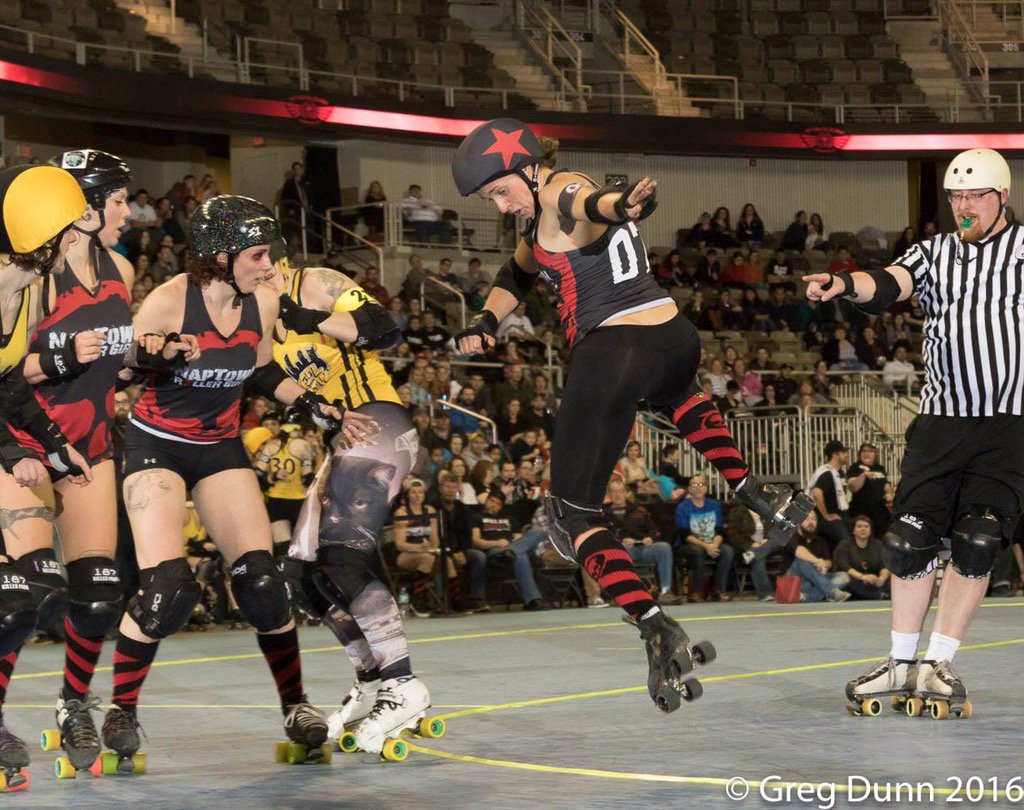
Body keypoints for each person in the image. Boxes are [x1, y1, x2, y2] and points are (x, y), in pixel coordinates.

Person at [452, 118, 810, 710]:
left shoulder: (559, 192)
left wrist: (623, 202)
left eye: (498, 191)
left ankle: (653, 623)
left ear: (522, 166)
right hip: (670, 336)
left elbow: (588, 201)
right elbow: (516, 272)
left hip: (614, 349)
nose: (500, 204)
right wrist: (486, 321)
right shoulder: (541, 213)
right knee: (681, 395)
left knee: (571, 515)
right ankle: (754, 491)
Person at [105, 196, 373, 767]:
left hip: (218, 446)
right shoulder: (170, 300)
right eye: (257, 254)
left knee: (261, 582)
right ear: (218, 257)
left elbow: (257, 369)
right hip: (156, 444)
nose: (270, 266)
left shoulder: (267, 298)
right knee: (168, 589)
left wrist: (316, 407)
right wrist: (156, 358)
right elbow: (117, 369)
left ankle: (295, 704)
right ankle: (121, 709)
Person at [808, 148, 1020, 717]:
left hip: (1008, 424)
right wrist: (842, 284)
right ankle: (901, 664)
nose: (965, 207)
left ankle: (939, 663)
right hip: (941, 420)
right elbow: (888, 283)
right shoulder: (935, 252)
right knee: (907, 537)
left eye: (976, 196)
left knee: (979, 537)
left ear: (1002, 198)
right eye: (956, 197)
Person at [267, 250, 441, 757]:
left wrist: (315, 317)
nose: (256, 274)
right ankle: (373, 680)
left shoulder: (315, 282)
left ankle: (403, 682)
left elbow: (385, 326)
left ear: (276, 257)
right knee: (301, 574)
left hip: (379, 420)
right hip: (343, 439)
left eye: (261, 263)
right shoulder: (254, 317)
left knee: (342, 561)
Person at [0, 152, 142, 776]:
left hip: (83, 439)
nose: (129, 212)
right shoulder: (30, 277)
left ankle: (73, 704)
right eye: (117, 199)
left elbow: (114, 361)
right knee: (26, 595)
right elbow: (14, 375)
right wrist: (57, 359)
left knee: (100, 591)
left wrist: (151, 359)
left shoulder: (120, 271)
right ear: (80, 209)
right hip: (20, 440)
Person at [0, 163, 97, 787]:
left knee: (24, 595)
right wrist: (15, 457)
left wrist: (58, 448)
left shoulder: (28, 291)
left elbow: (7, 384)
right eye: (66, 233)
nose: (72, 243)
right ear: (41, 236)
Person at [470, 489, 548, 610]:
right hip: (496, 552)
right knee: (520, 555)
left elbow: (519, 539)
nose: (493, 505)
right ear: (486, 501)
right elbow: (475, 541)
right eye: (492, 501)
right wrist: (496, 543)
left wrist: (512, 546)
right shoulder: (476, 517)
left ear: (501, 507)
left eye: (497, 503)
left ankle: (512, 551)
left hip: (510, 550)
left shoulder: (510, 519)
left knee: (539, 531)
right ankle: (533, 600)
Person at [603, 480, 676, 603]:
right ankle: (623, 594)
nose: (618, 495)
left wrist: (650, 538)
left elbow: (655, 531)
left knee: (664, 547)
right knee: (619, 549)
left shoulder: (639, 510)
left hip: (644, 548)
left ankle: (665, 591)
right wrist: (621, 540)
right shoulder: (603, 513)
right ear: (609, 494)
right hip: (623, 549)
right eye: (614, 492)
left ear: (626, 493)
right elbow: (602, 535)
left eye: (620, 491)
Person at [253, 420, 316, 559]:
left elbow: (258, 473)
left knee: (282, 549)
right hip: (299, 501)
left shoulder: (270, 446)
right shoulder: (303, 445)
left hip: (276, 501)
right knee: (302, 548)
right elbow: (308, 476)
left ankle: (284, 579)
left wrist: (273, 477)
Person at [675, 473, 732, 602]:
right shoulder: (682, 507)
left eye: (700, 484)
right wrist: (707, 546)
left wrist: (714, 545)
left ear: (706, 488)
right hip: (689, 545)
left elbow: (719, 530)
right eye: (694, 485)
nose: (698, 488)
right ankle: (696, 591)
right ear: (689, 489)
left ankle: (718, 590)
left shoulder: (715, 505)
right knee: (697, 551)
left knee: (727, 551)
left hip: (712, 543)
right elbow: (685, 535)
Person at [781, 511, 851, 603]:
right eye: (807, 519)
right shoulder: (790, 536)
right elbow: (799, 551)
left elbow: (828, 562)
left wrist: (825, 565)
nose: (811, 522)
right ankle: (831, 592)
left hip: (816, 581)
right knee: (802, 561)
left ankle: (805, 597)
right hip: (794, 581)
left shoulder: (821, 541)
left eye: (814, 519)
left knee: (844, 576)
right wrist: (817, 561)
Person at [806, 440, 853, 550]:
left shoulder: (838, 472)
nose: (847, 455)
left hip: (838, 515)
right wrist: (826, 515)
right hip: (822, 518)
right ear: (836, 455)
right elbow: (817, 493)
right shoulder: (827, 473)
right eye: (844, 452)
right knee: (846, 542)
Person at [833, 516, 891, 600]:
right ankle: (877, 595)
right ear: (853, 531)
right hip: (855, 579)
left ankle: (878, 594)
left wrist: (882, 578)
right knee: (846, 578)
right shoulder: (844, 545)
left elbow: (884, 565)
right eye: (859, 526)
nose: (863, 529)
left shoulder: (878, 545)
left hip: (874, 580)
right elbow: (844, 566)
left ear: (870, 531)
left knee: (892, 576)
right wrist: (862, 577)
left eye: (866, 526)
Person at [846, 443, 892, 537]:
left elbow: (886, 485)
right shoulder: (855, 467)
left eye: (870, 451)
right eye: (864, 451)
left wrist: (889, 493)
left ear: (875, 454)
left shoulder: (880, 468)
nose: (866, 453)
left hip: (880, 511)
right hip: (861, 511)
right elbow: (853, 487)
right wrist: (864, 475)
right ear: (860, 454)